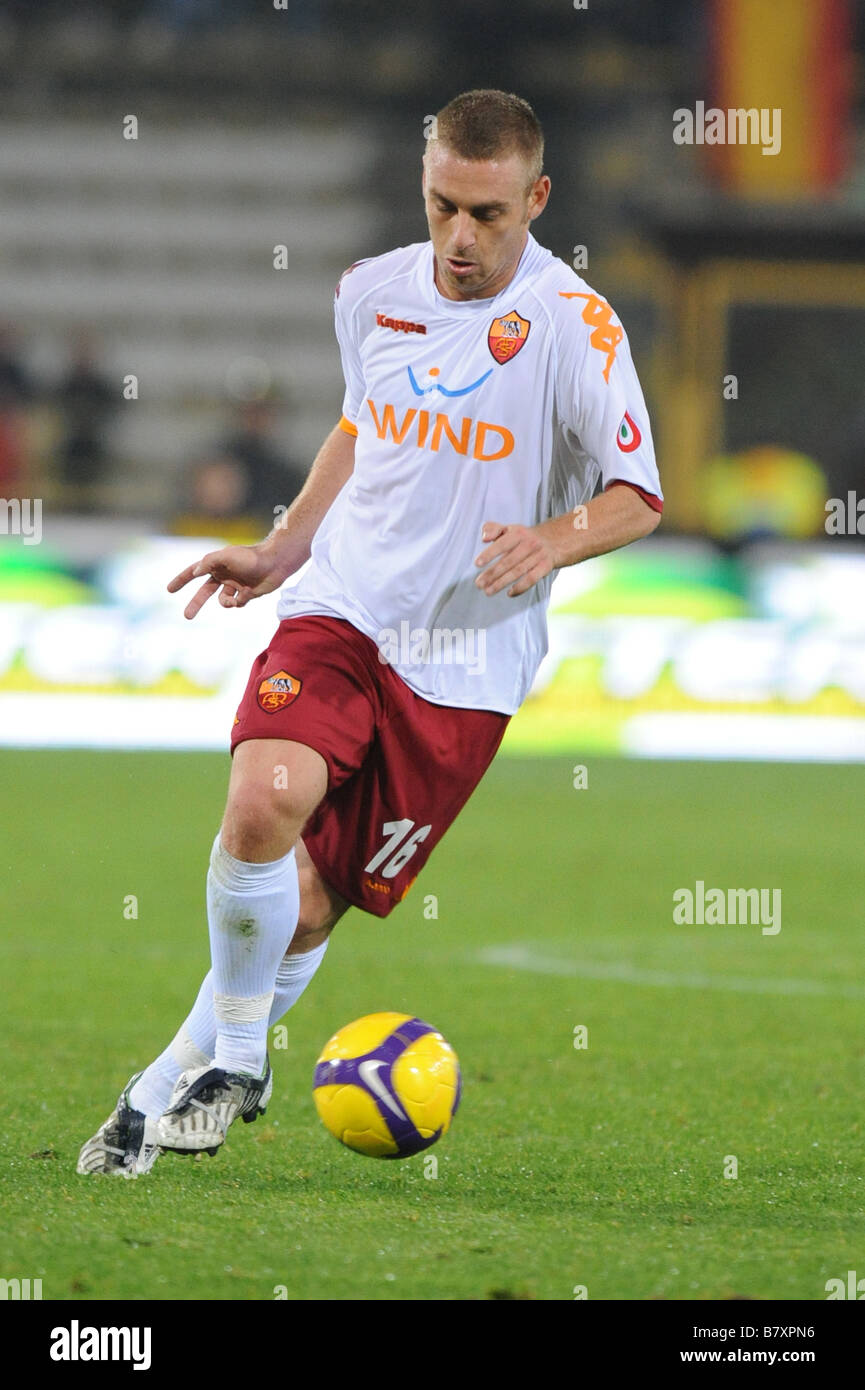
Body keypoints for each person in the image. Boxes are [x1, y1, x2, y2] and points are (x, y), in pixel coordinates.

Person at [78, 88, 662, 1177]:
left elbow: (638, 494)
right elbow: (362, 424)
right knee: (262, 803)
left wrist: (552, 536)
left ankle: (157, 1092)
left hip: (466, 665)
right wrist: (285, 545)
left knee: (303, 906)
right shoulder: (369, 292)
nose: (459, 237)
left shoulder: (576, 327)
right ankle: (245, 1061)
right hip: (345, 607)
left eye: (488, 214)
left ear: (535, 199)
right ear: (424, 184)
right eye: (443, 204)